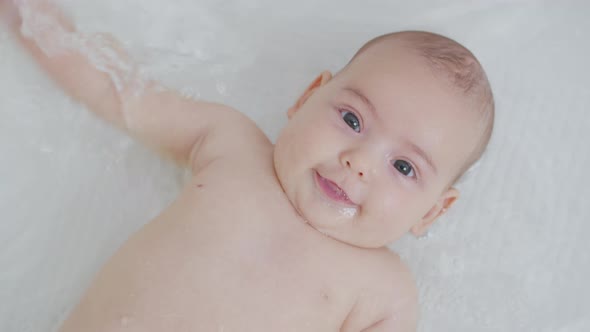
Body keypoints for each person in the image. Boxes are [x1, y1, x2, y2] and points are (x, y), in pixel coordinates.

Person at [1, 0, 494, 330]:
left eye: (404, 168)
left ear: (433, 212)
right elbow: (118, 89)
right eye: (351, 118)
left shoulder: (384, 290)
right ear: (306, 98)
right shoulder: (232, 145)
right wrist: (35, 20)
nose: (359, 162)